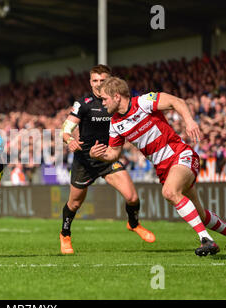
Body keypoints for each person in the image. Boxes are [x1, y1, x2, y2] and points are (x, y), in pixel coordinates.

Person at [90, 76, 225, 256]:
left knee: (169, 192)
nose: (103, 103)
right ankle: (209, 234)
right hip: (163, 169)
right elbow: (114, 154)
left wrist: (190, 121)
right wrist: (97, 155)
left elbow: (177, 101)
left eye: (104, 99)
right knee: (200, 215)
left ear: (116, 96)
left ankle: (206, 240)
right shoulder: (115, 123)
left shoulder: (144, 102)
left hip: (180, 155)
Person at [59, 65, 155, 254]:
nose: (98, 84)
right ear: (90, 82)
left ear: (110, 81)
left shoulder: (117, 102)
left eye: (102, 80)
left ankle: (134, 224)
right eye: (94, 80)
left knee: (132, 197)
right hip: (85, 160)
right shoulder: (84, 103)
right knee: (75, 203)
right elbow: (66, 128)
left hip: (108, 157)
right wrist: (69, 139)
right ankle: (65, 234)